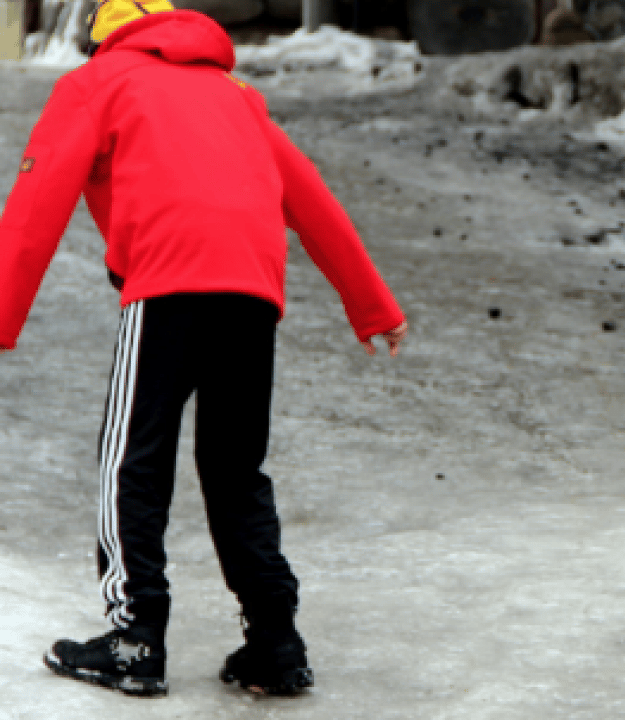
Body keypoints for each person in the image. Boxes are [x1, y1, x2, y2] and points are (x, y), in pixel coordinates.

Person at [0, 0, 408, 697]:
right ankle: (276, 642)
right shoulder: (235, 93)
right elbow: (311, 198)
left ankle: (135, 637)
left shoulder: (98, 82)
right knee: (235, 468)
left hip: (167, 283)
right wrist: (372, 306)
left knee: (134, 457)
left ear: (102, 37)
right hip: (252, 292)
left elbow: (40, 197)